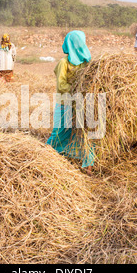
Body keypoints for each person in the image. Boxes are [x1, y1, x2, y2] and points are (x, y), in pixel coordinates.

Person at [46, 30, 95, 175]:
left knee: (85, 135)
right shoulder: (64, 63)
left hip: (82, 105)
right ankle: (47, 158)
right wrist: (79, 90)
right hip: (65, 104)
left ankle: (88, 165)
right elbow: (61, 86)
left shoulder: (88, 64)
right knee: (60, 133)